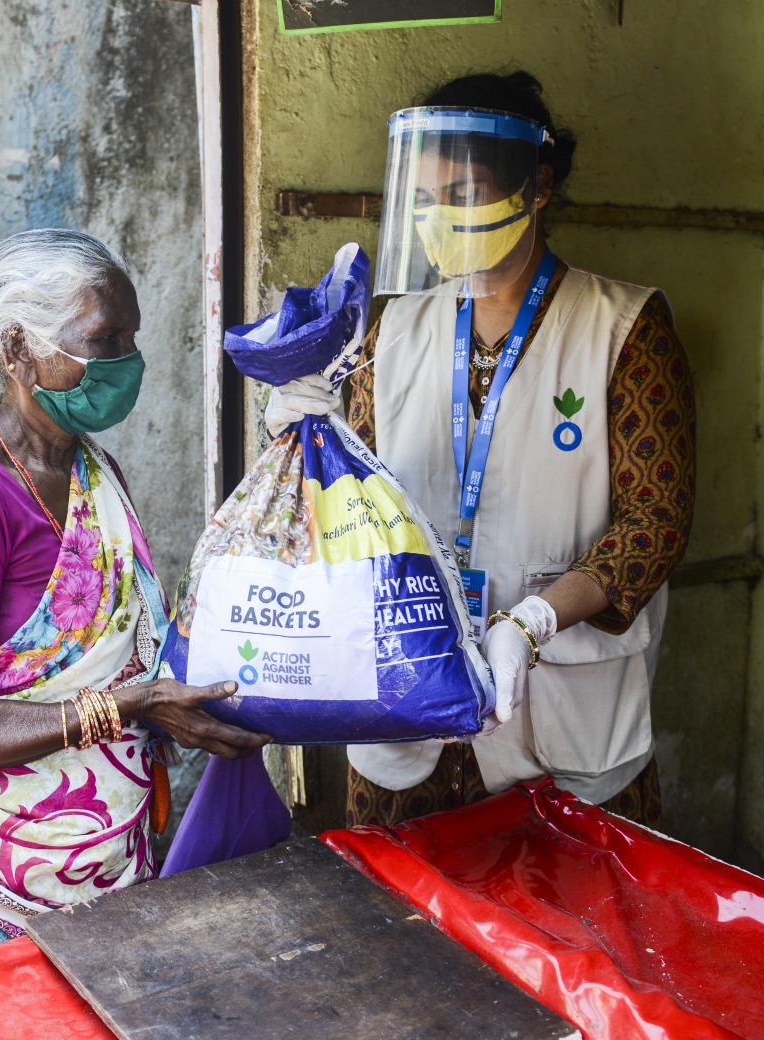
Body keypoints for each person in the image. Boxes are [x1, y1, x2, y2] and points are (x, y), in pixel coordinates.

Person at [268, 73, 696, 829]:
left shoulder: (625, 327)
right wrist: (305, 439)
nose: (441, 222)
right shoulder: (388, 327)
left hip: (565, 722)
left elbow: (655, 520)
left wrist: (534, 620)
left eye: (464, 193)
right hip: (407, 713)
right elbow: (349, 506)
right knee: (403, 929)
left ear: (537, 186)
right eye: (425, 202)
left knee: (571, 931)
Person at [0, 229, 270, 971]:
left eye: (132, 338)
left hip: (102, 861)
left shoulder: (92, 471)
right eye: (105, 338)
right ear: (19, 351)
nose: (129, 362)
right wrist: (132, 706)